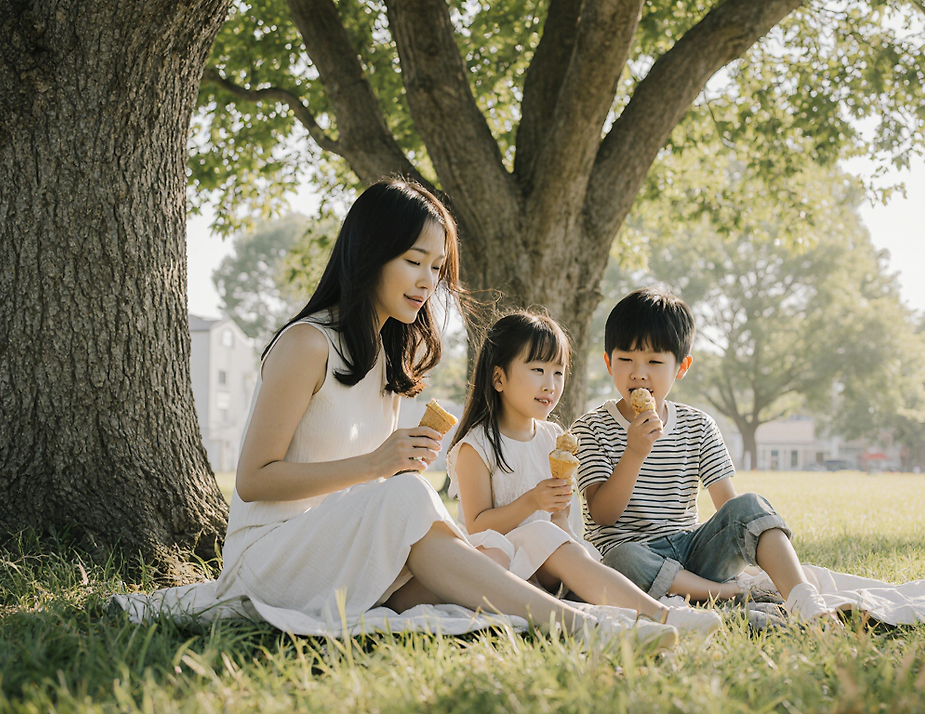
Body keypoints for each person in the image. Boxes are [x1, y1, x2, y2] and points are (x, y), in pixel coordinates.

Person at [214, 179, 677, 647]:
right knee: (411, 496)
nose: (426, 281)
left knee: (499, 553)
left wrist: (388, 473)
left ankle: (653, 617)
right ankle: (581, 627)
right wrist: (378, 465)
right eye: (413, 261)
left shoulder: (388, 363)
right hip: (270, 560)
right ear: (369, 253)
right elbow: (254, 479)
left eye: (436, 267)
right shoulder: (307, 343)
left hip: (348, 556)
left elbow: (370, 498)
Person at [445, 312, 722, 636]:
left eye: (558, 372)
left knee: (566, 545)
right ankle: (660, 615)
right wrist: (532, 501)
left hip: (549, 561)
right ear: (499, 378)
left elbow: (559, 525)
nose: (550, 384)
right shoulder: (476, 446)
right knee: (544, 537)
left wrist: (559, 513)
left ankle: (645, 616)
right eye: (537, 370)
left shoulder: (554, 438)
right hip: (497, 564)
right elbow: (477, 526)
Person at [572, 287, 835, 622]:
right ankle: (735, 594)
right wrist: (635, 453)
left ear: (681, 367)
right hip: (632, 558)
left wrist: (740, 535)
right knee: (620, 561)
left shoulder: (698, 425)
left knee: (752, 506)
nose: (639, 373)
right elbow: (603, 515)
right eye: (626, 360)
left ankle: (805, 601)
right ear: (609, 362)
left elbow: (729, 509)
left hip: (692, 552)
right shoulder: (591, 428)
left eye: (654, 361)